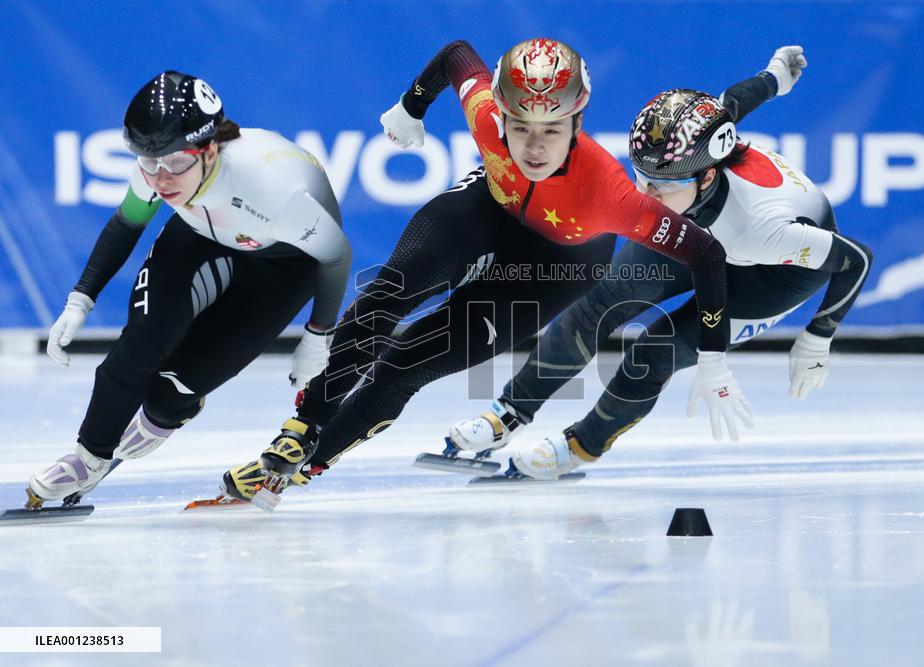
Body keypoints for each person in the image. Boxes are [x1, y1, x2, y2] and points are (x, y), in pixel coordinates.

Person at [220, 38, 794, 504]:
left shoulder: (614, 196)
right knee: (388, 294)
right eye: (520, 127)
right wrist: (410, 106)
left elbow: (707, 254)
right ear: (502, 113)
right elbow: (456, 55)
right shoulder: (486, 113)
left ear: (578, 119)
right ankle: (299, 432)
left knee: (405, 364)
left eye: (553, 129)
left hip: (558, 265)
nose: (535, 146)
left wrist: (714, 358)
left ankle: (302, 468)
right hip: (486, 211)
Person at [451, 85, 873, 479]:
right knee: (601, 300)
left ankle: (583, 445)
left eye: (664, 186)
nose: (648, 197)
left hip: (770, 275)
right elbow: (735, 99)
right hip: (700, 232)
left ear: (706, 177)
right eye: (642, 178)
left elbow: (855, 258)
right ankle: (509, 412)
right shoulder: (696, 148)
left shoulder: (762, 228)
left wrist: (818, 338)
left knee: (654, 352)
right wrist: (776, 76)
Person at [25, 71, 352, 508]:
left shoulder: (273, 191)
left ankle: (171, 409)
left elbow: (335, 255)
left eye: (176, 163)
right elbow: (128, 222)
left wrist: (317, 336)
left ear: (210, 148)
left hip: (283, 267)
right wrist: (81, 297)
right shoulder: (162, 162)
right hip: (198, 236)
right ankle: (88, 458)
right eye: (148, 162)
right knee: (137, 349)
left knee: (167, 396)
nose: (161, 179)